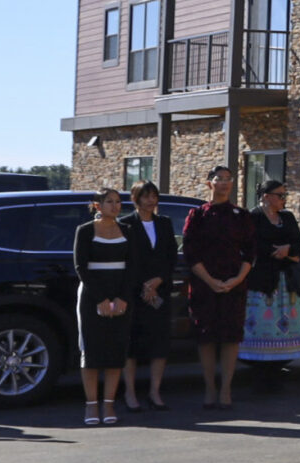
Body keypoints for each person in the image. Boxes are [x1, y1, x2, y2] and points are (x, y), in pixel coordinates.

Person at [181, 165, 255, 409]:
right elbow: (190, 253)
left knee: (231, 337)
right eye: (219, 179)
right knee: (207, 338)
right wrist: (211, 281)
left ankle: (226, 390)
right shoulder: (198, 215)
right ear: (209, 183)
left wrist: (237, 279)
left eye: (228, 179)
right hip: (204, 286)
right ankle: (210, 389)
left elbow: (250, 253)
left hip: (234, 284)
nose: (224, 183)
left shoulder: (241, 215)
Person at [72, 188, 141, 426]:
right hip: (93, 295)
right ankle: (91, 405)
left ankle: (109, 403)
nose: (115, 205)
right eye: (109, 201)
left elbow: (133, 267)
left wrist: (123, 297)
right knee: (91, 351)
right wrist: (100, 298)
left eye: (118, 202)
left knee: (116, 349)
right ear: (97, 205)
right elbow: (81, 266)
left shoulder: (128, 231)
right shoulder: (85, 230)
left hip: (121, 294)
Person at [240, 179, 300, 371]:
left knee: (284, 332)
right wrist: (281, 253)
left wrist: (288, 250)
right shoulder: (253, 218)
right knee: (262, 331)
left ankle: (278, 371)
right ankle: (261, 375)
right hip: (262, 284)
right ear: (266, 197)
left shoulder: (286, 217)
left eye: (284, 195)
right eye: (280, 195)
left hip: (286, 284)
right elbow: (253, 246)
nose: (283, 199)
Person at [118, 181, 176, 411]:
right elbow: (126, 259)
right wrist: (144, 285)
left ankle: (155, 391)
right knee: (131, 344)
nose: (151, 200)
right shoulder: (126, 224)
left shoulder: (164, 223)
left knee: (159, 342)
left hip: (160, 290)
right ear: (136, 198)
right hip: (134, 292)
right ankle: (130, 392)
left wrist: (158, 280)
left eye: (154, 196)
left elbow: (171, 256)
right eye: (146, 196)